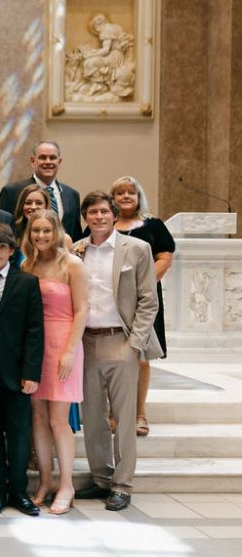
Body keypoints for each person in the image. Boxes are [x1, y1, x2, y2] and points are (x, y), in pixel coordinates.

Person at [73, 192, 161, 512]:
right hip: (86, 342)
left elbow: (149, 300)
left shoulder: (136, 249)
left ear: (114, 215)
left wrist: (135, 343)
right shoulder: (76, 251)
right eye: (92, 212)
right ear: (86, 218)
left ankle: (122, 484)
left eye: (104, 211)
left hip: (120, 340)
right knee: (93, 417)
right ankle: (100, 479)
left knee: (123, 418)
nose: (98, 217)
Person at [22, 210, 88, 515]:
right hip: (37, 347)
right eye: (36, 231)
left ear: (57, 231)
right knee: (37, 417)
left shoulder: (71, 264)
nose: (41, 236)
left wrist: (70, 350)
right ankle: (45, 481)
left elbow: (83, 310)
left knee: (59, 420)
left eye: (47, 231)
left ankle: (66, 485)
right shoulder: (28, 264)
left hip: (63, 343)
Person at [0, 224, 44, 516]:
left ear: (12, 250)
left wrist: (31, 373)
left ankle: (19, 491)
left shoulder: (26, 283)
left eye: (2, 247)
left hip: (16, 371)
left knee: (18, 434)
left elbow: (34, 330)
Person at [111, 176, 174, 437]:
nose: (126, 197)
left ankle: (139, 413)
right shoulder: (105, 223)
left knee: (139, 356)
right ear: (112, 198)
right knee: (110, 356)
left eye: (131, 192)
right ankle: (114, 414)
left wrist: (142, 284)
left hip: (144, 299)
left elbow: (165, 257)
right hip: (112, 300)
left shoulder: (153, 225)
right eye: (120, 193)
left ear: (139, 197)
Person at [0, 141, 82, 242]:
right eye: (42, 157)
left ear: (59, 162)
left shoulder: (72, 195)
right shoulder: (11, 192)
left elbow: (76, 235)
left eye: (52, 158)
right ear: (33, 161)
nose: (48, 162)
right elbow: (2, 232)